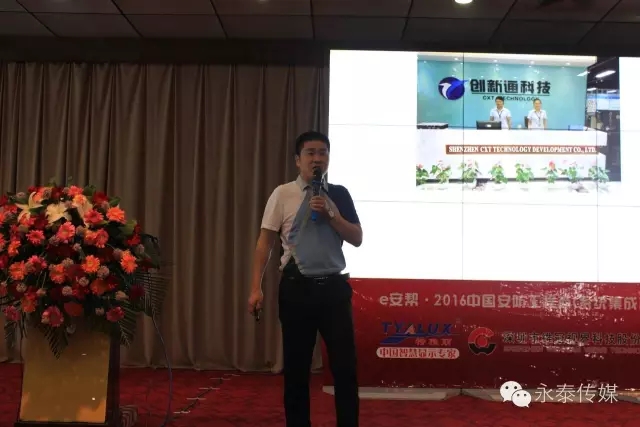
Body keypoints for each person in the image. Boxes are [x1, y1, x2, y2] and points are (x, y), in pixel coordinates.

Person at [248, 131, 363, 427]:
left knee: (345, 369)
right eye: (310, 153)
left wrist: (332, 215)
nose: (317, 159)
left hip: (334, 290)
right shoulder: (282, 194)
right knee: (297, 370)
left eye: (323, 153)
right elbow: (265, 242)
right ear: (297, 160)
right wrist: (255, 288)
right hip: (296, 290)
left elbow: (357, 238)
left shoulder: (339, 194)